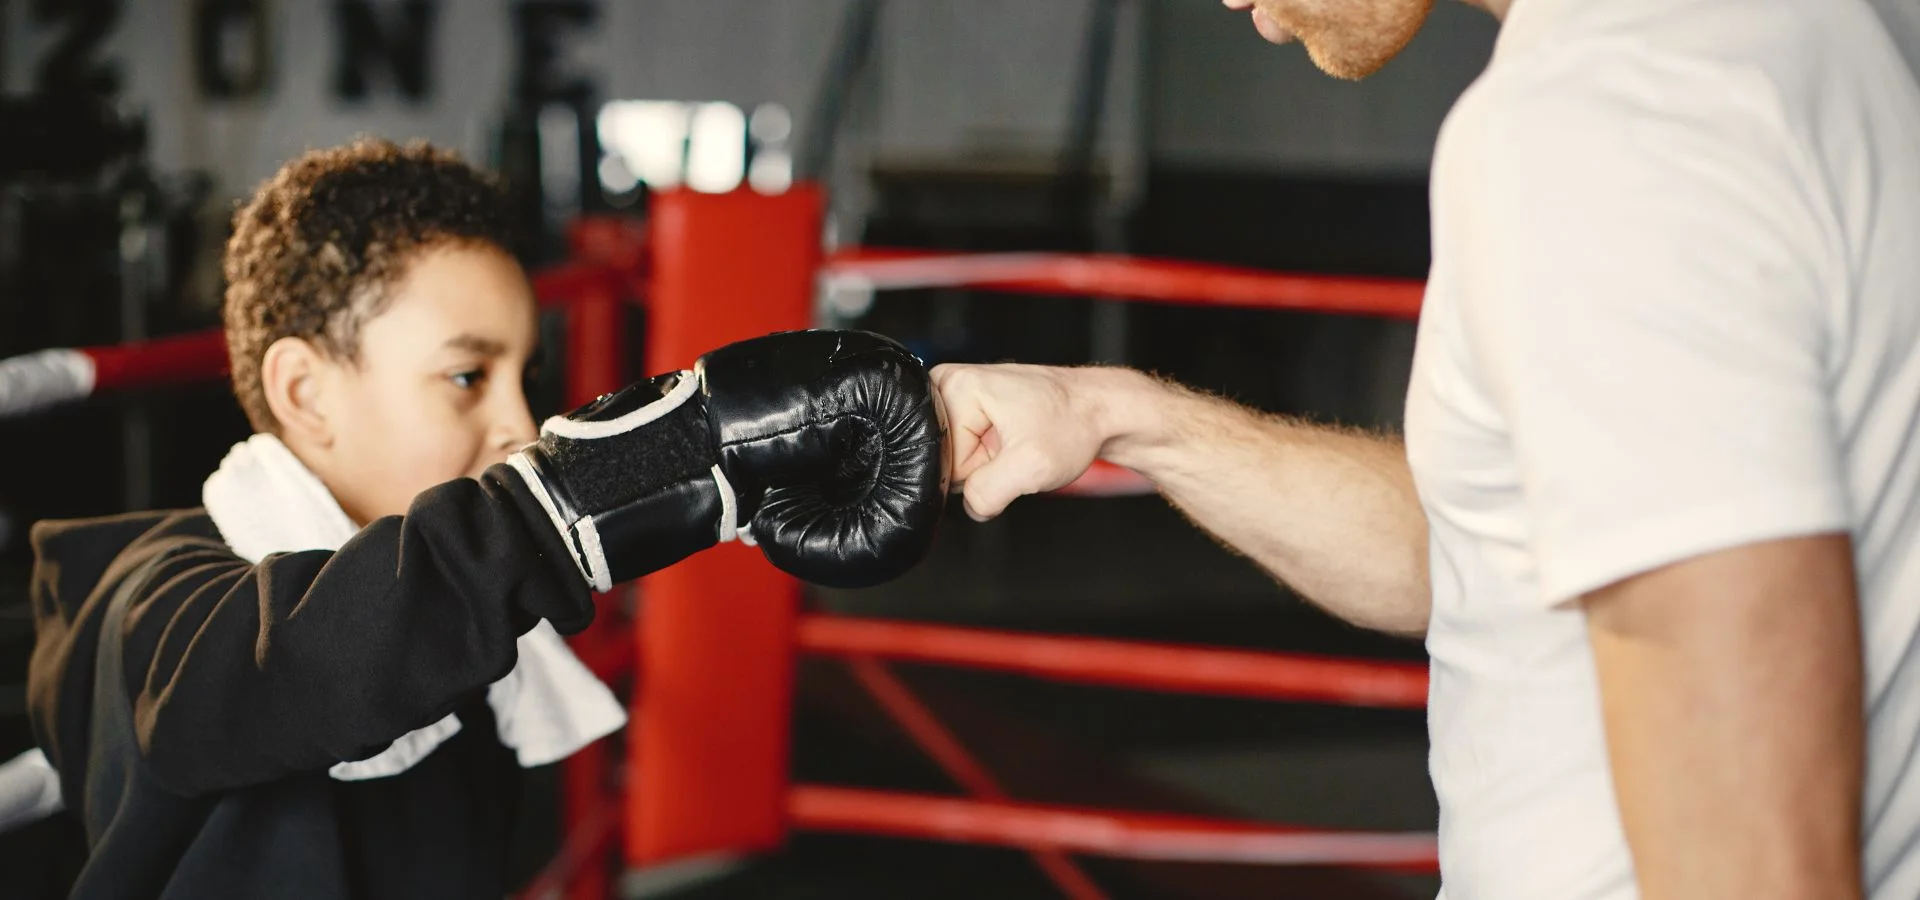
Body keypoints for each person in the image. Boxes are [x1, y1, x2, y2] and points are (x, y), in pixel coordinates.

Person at [933, 1, 1920, 898]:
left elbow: (1752, 866)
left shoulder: (1607, 122)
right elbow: (1492, 549)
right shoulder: (1804, 35)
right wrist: (1116, 414)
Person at [23, 139, 946, 899]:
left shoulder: (454, 628)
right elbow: (298, 668)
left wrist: (717, 492)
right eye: (467, 377)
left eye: (523, 379)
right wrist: (636, 468)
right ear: (305, 392)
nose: (517, 424)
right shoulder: (161, 614)